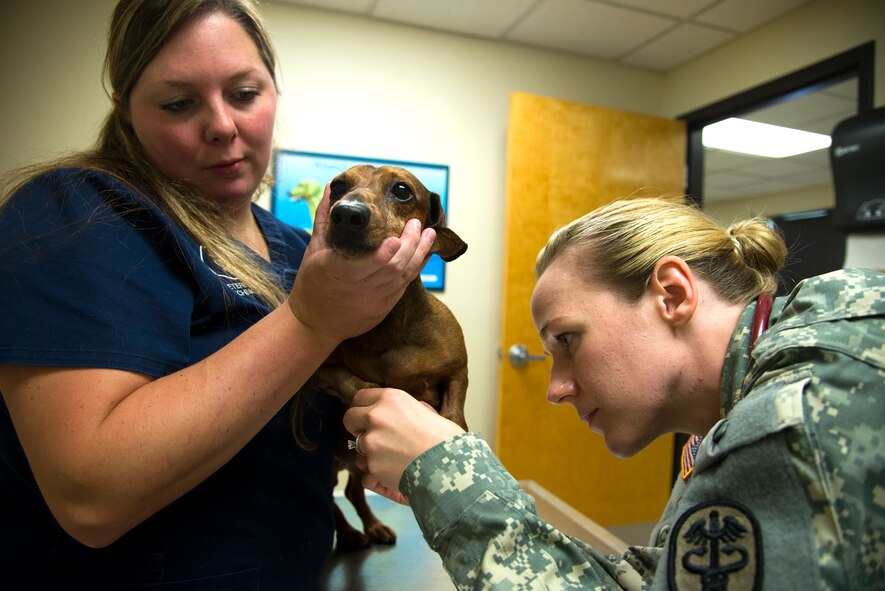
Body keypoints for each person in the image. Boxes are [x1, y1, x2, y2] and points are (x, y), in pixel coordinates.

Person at [0, 0, 436, 587]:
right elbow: (90, 494)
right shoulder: (79, 217)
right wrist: (311, 321)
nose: (223, 126)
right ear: (125, 111)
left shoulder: (300, 248)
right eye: (179, 103)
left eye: (245, 93)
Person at [343, 196, 884, 589]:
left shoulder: (793, 417)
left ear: (672, 294)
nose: (556, 389)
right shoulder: (774, 376)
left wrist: (442, 470)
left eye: (568, 339)